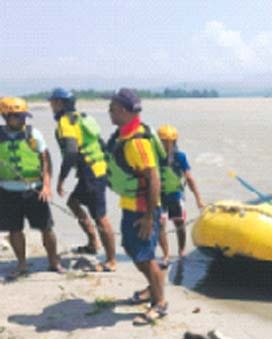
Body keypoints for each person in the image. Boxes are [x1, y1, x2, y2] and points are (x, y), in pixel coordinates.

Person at [106, 88, 167, 325]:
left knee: (146, 256)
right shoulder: (123, 135)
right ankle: (153, 288)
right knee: (134, 251)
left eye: (111, 108)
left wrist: (150, 217)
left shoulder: (137, 141)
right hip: (130, 205)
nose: (109, 112)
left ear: (122, 110)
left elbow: (154, 178)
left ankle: (160, 303)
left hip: (143, 209)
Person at [48, 88, 116, 272]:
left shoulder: (65, 122)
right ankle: (93, 242)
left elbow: (71, 151)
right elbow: (100, 143)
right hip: (97, 168)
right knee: (73, 201)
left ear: (60, 103)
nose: (51, 106)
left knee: (100, 217)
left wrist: (61, 179)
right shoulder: (84, 117)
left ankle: (111, 260)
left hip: (90, 172)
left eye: (52, 102)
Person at [0, 97, 65, 279]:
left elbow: (46, 160)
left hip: (33, 189)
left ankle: (54, 261)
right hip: (7, 191)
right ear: (6, 116)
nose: (23, 120)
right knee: (14, 230)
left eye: (23, 116)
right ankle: (22, 264)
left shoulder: (32, 134)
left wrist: (46, 186)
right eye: (18, 117)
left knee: (46, 227)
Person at [156, 125, 204, 265]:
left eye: (167, 141)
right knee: (160, 224)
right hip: (158, 195)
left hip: (175, 194)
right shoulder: (154, 156)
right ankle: (165, 255)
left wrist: (198, 199)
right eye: (162, 141)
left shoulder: (180, 157)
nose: (165, 144)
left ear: (174, 141)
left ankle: (181, 251)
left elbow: (189, 178)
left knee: (179, 223)